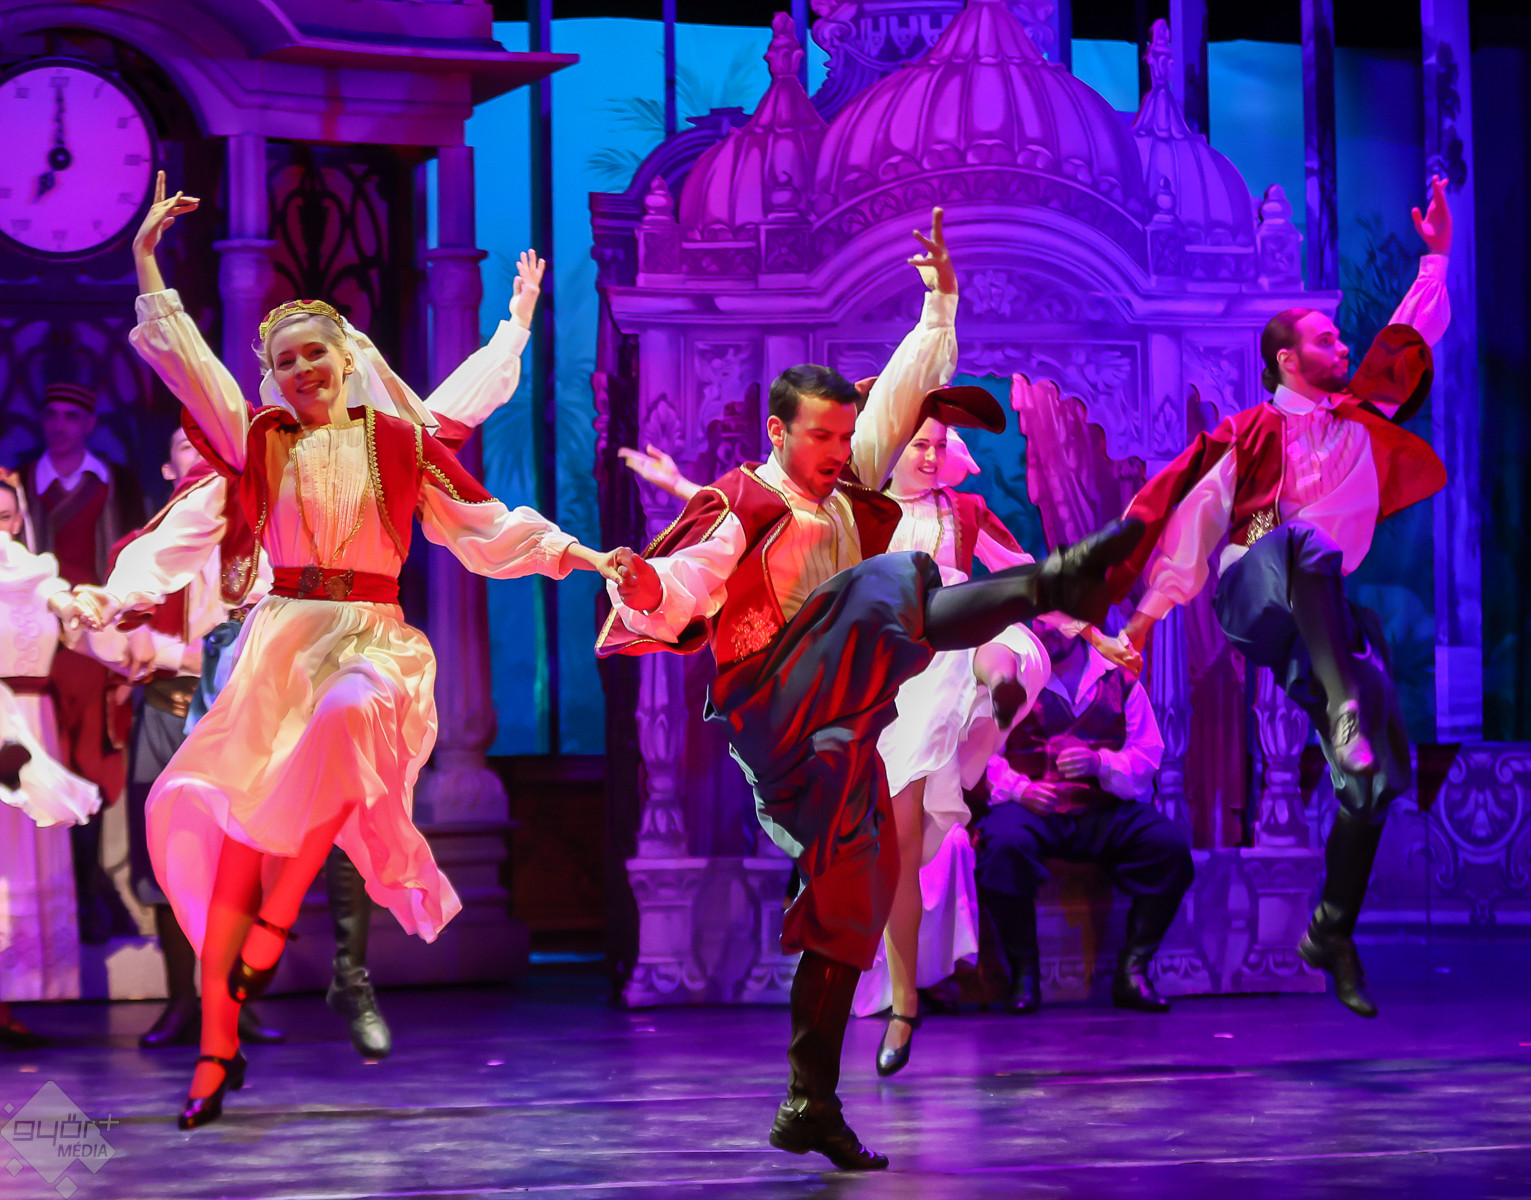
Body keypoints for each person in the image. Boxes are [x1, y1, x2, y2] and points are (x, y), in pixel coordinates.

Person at [602, 206, 1143, 1170]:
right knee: (890, 581)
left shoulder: (850, 487)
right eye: (819, 435)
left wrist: (938, 306)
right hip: (778, 707)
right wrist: (646, 585)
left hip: (843, 731)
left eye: (846, 435)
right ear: (778, 432)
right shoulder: (746, 502)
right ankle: (1054, 583)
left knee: (850, 903)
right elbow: (688, 579)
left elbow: (899, 395)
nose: (837, 450)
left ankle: (808, 1098)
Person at [103, 173, 619, 1129]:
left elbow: (483, 519)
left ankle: (278, 923)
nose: (303, 368)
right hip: (279, 644)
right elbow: (193, 376)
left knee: (347, 718)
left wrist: (579, 553)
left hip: (371, 639)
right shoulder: (257, 442)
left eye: (316, 353)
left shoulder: (398, 442)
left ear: (348, 358)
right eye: (285, 359)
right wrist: (147, 263)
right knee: (233, 839)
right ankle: (215, 1049)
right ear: (272, 374)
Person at [1104, 177, 1454, 1018]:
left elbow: (1408, 335)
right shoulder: (1248, 433)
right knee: (1302, 543)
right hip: (1251, 594)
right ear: (1288, 359)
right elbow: (1190, 524)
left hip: (1320, 617)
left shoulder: (1356, 418)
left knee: (1373, 781)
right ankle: (1344, 707)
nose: (1343, 347)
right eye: (1327, 340)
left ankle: (1331, 928)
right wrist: (1144, 622)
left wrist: (1437, 256)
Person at [979, 618, 1187, 1014]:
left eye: (1059, 619)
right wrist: (1021, 791)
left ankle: (1133, 971)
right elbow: (981, 753)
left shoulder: (1120, 679)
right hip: (1035, 810)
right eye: (1040, 620)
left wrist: (1100, 764)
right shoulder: (1011, 679)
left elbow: (1146, 755)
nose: (1048, 629)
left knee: (1168, 847)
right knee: (1003, 844)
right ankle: (1024, 974)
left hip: (1101, 809)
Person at [16, 382, 145, 943]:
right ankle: (56, 893)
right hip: (35, 650)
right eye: (52, 414)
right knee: (44, 764)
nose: (60, 425)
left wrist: (126, 659)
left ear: (89, 423)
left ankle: (89, 892)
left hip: (95, 651)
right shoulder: (21, 482)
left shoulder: (116, 483)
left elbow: (136, 570)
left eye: (72, 415)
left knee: (91, 766)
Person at [0, 471, 103, 1046]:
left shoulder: (39, 574)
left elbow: (66, 608)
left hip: (34, 723)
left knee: (27, 853)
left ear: (20, 519)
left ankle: (11, 998)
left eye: (6, 516)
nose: (0, 527)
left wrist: (80, 607)